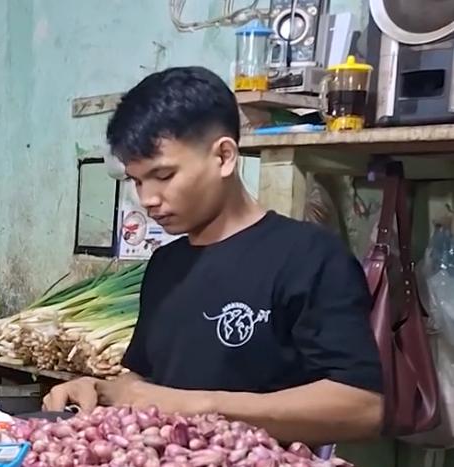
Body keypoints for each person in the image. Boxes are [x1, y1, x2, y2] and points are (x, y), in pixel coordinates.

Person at [43, 67, 383, 445]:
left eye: (164, 175)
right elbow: (149, 383)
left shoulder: (310, 258)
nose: (147, 199)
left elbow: (361, 406)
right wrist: (101, 391)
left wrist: (197, 406)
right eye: (138, 180)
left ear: (223, 157)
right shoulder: (165, 266)